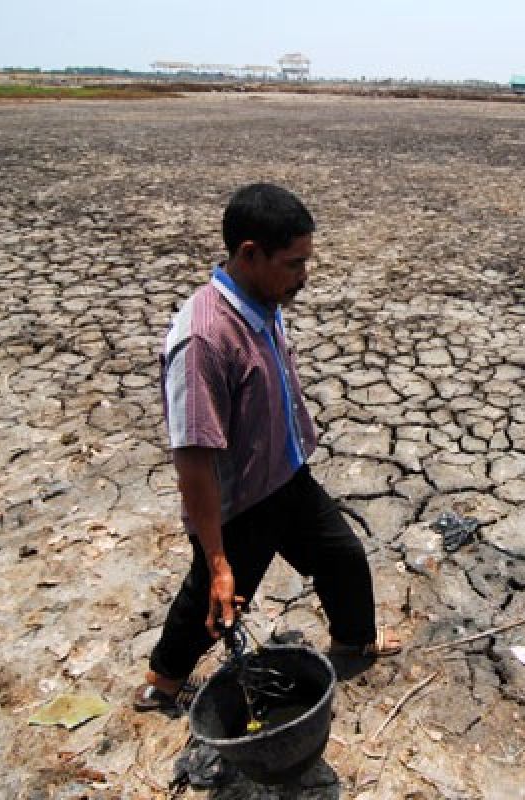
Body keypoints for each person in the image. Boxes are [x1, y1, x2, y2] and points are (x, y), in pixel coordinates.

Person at [135, 183, 400, 712]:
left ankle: (353, 640)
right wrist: (216, 557)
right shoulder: (203, 339)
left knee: (342, 558)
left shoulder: (262, 297)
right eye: (294, 263)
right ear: (249, 254)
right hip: (241, 504)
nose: (304, 276)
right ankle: (161, 685)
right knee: (216, 601)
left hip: (287, 475)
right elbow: (192, 460)